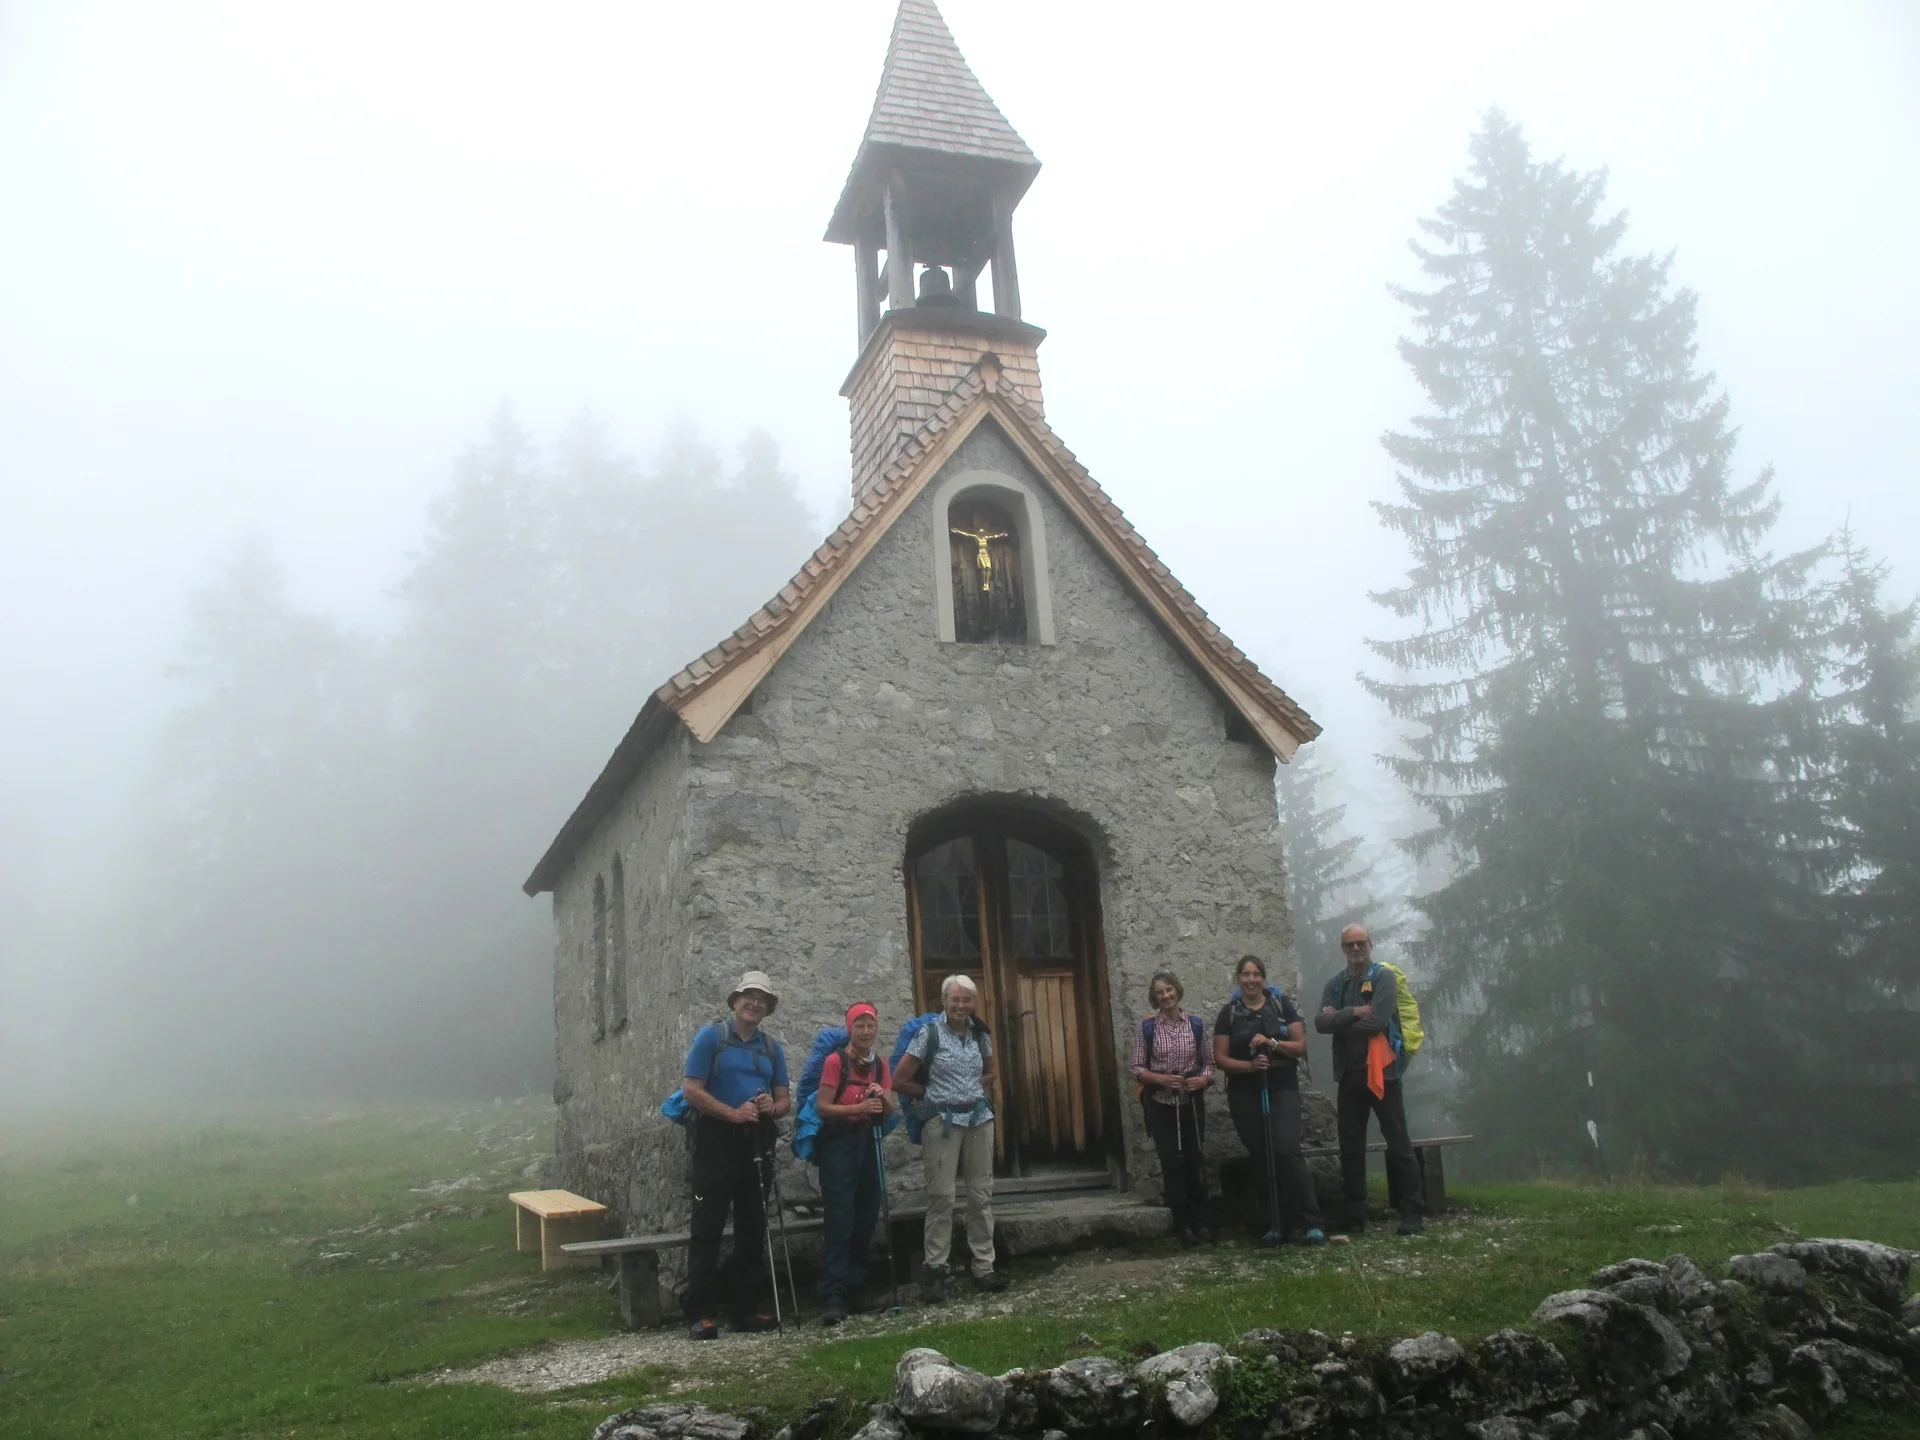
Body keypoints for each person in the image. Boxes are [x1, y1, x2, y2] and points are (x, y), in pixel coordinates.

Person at [679, 970, 791, 1339]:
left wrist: (771, 1107)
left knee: (752, 1225)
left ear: (768, 1008)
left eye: (762, 1000)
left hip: (756, 1141)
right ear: (735, 1000)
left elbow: (784, 1100)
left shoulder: (771, 1048)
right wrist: (732, 1113)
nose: (755, 1004)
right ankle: (699, 1312)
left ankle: (745, 1309)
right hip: (715, 1141)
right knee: (706, 1223)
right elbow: (691, 1090)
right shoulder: (712, 1037)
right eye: (749, 996)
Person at [891, 974, 1007, 1300]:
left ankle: (984, 1267)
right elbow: (899, 1079)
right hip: (942, 1122)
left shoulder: (980, 1033)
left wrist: (972, 1087)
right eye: (955, 999)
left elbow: (991, 1069)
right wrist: (931, 1095)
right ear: (943, 1001)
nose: (961, 1005)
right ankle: (935, 1270)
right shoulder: (929, 1034)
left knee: (980, 1194)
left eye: (967, 999)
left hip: (979, 1119)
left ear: (973, 1003)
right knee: (942, 1196)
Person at [1316, 925, 1424, 1236]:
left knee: (1398, 1142)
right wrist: (1354, 1011)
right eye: (1349, 944)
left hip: (1382, 1073)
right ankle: (1354, 1215)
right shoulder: (1335, 984)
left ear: (1370, 944)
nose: (1355, 948)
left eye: (1360, 943)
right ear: (1342, 947)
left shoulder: (1383, 977)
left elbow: (1377, 1021)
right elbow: (1320, 1023)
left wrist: (1340, 1021)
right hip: (1349, 1074)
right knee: (1350, 1147)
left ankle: (1413, 1212)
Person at [1214, 955, 1326, 1246]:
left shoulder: (1280, 1005)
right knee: (1261, 1154)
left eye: (1256, 974)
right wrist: (1249, 1066)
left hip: (1281, 1086)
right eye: (1246, 974)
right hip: (1244, 1091)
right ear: (1238, 978)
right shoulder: (1229, 1013)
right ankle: (1274, 1224)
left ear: (1263, 978)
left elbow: (1300, 1046)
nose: (1251, 980)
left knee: (1286, 1149)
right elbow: (1220, 1058)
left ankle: (1312, 1222)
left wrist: (1272, 1042)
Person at [812, 1000, 895, 1326]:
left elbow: (889, 1110)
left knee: (865, 1216)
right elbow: (823, 1107)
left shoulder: (881, 1066)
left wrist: (882, 1098)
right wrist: (859, 1109)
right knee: (841, 1218)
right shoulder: (836, 1062)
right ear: (850, 1029)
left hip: (868, 1143)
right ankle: (833, 1295)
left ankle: (857, 1288)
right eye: (859, 1025)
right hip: (839, 1145)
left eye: (870, 1025)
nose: (865, 1031)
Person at [1128, 971, 1214, 1244]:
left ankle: (1201, 1222)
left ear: (1177, 990)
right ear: (1155, 998)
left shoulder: (1196, 1025)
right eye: (1160, 993)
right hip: (1161, 1105)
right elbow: (1136, 1067)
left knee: (1194, 1159)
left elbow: (1209, 1063)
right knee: (1172, 1161)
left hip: (1191, 1103)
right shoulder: (1148, 1028)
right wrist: (1161, 1079)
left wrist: (1203, 1080)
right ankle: (1182, 1224)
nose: (1166, 996)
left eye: (1169, 990)